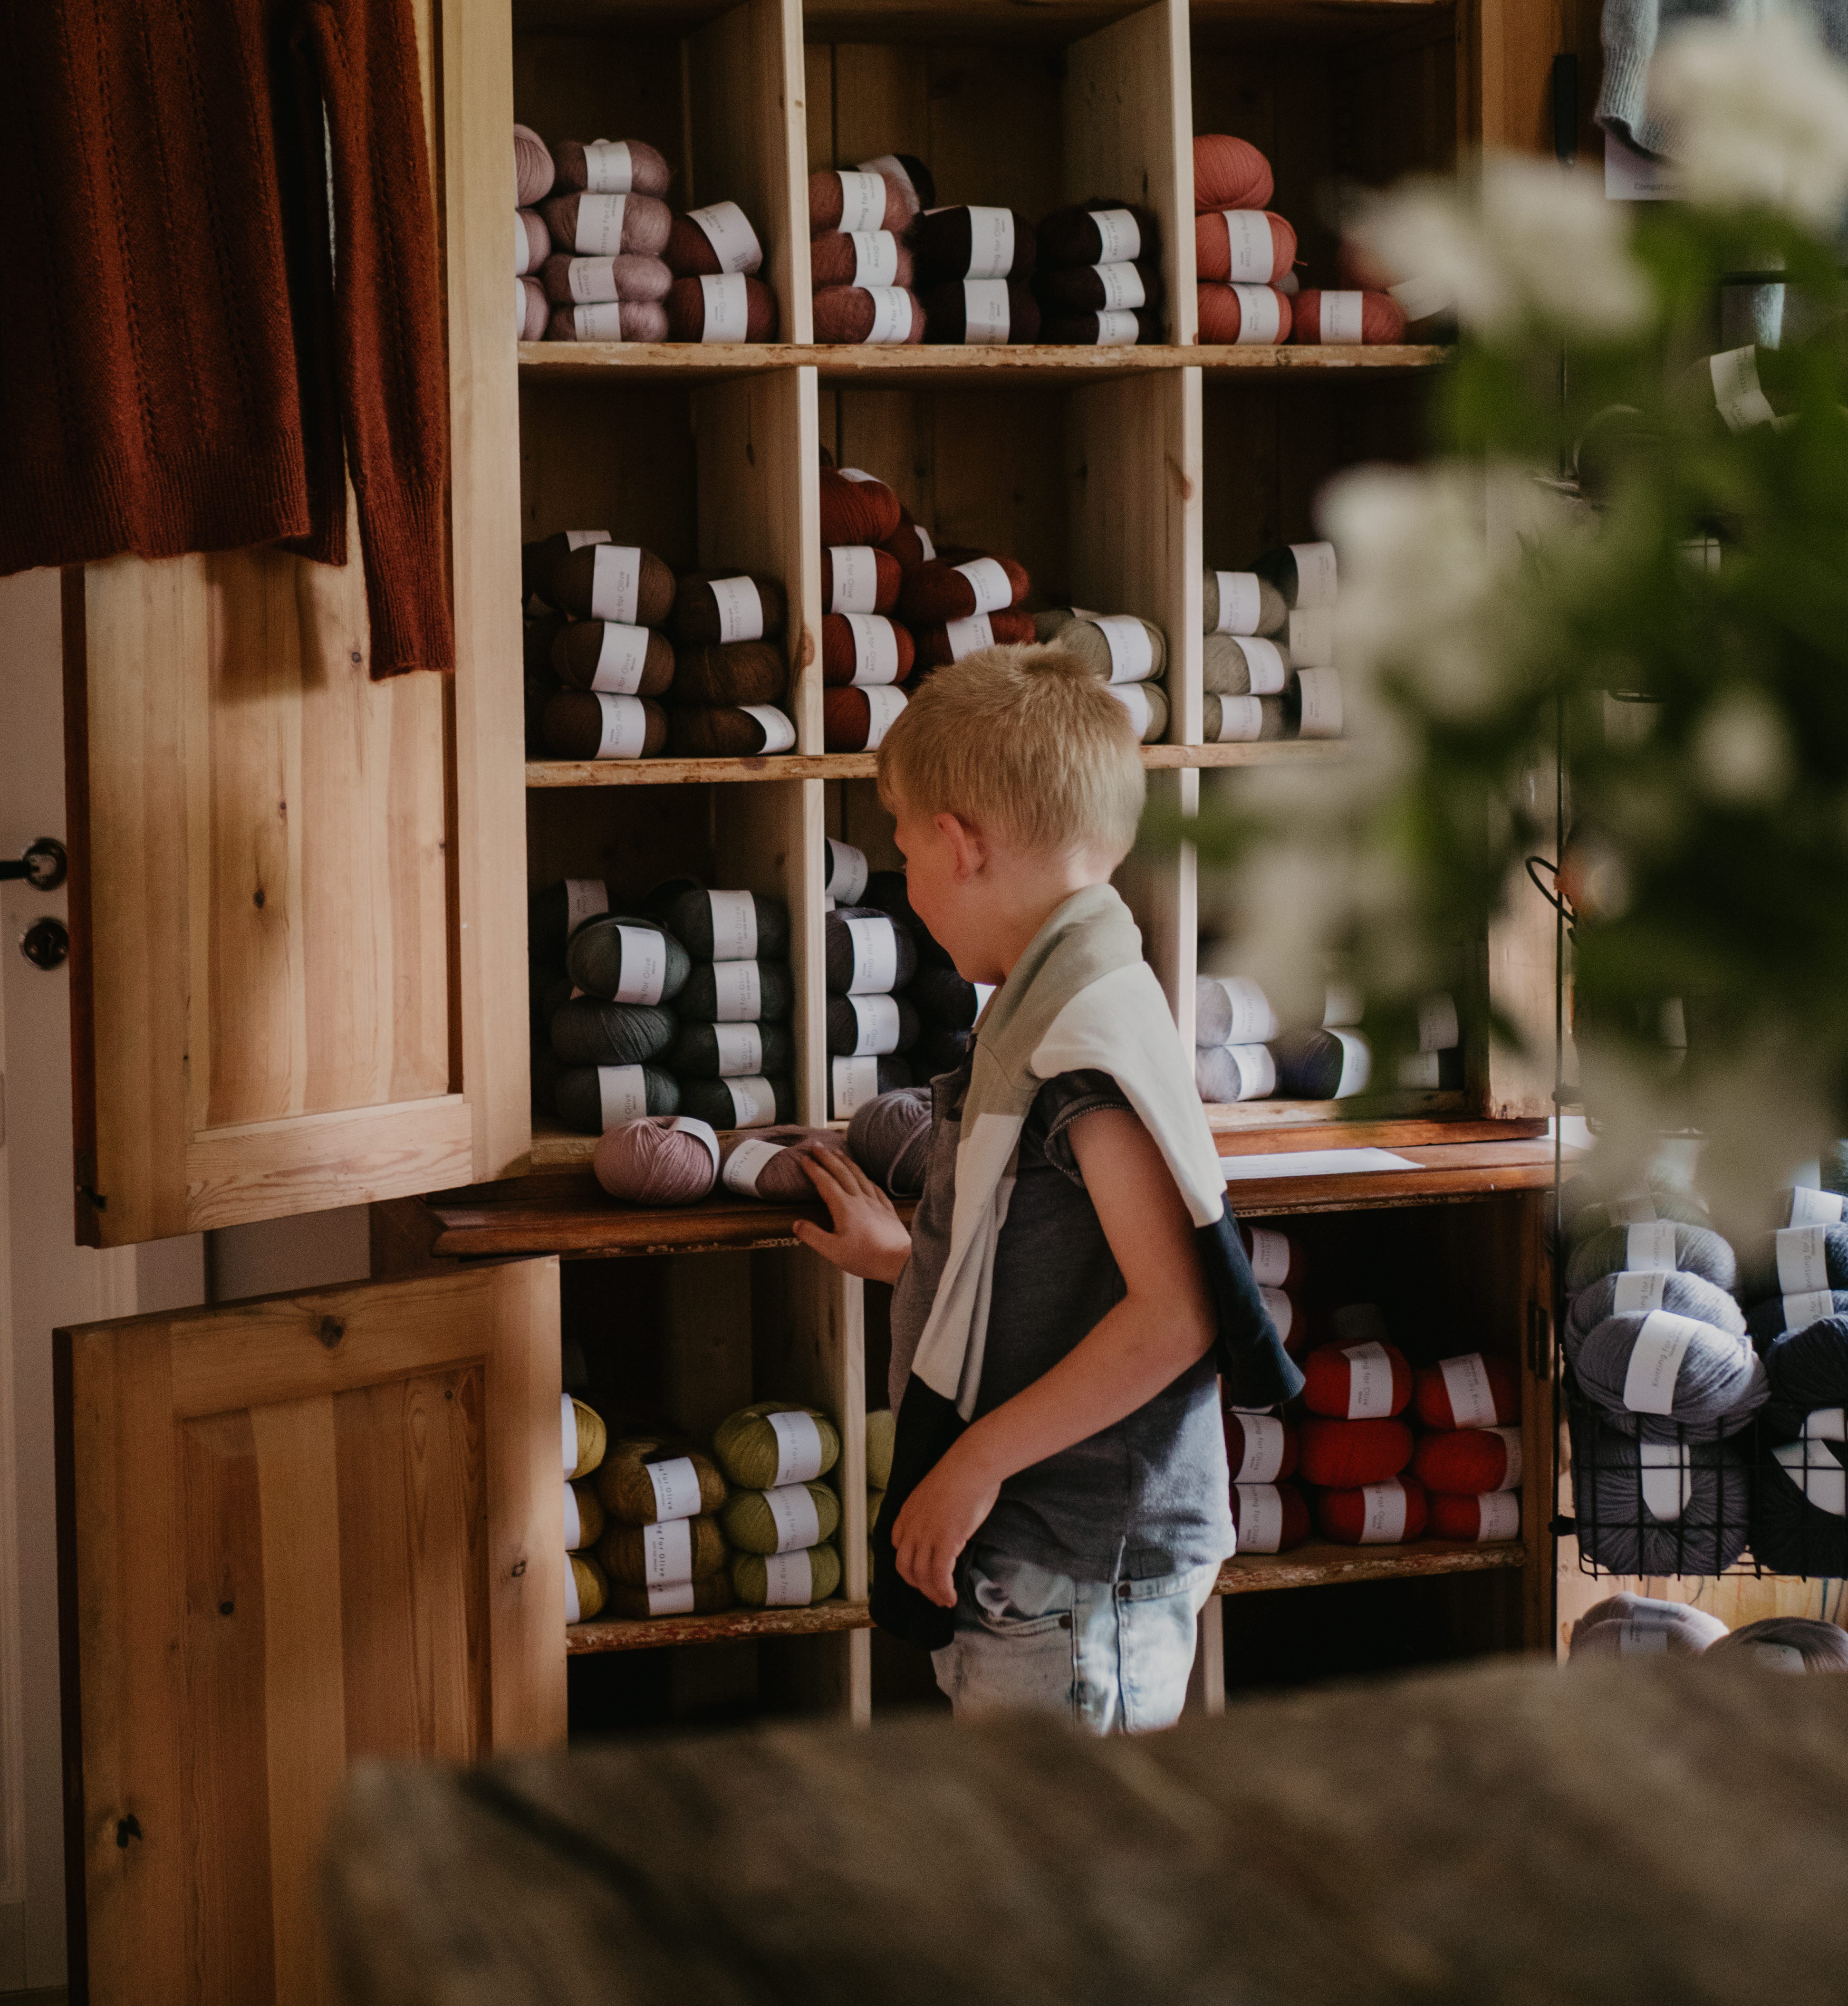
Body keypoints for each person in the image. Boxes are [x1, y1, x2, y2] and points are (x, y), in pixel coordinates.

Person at [795, 644, 1298, 1733]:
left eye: (904, 855)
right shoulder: (1064, 989)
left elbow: (1175, 1314)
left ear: (958, 843)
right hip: (1050, 1563)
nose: (910, 891)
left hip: (1079, 1567)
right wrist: (910, 1257)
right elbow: (1055, 1243)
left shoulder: (1081, 1041)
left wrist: (972, 1462)